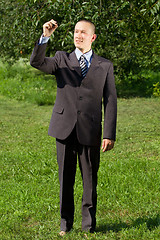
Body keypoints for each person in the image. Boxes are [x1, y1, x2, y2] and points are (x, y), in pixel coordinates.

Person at [30, 19, 117, 236]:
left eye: (83, 32)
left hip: (90, 131)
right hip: (64, 129)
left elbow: (111, 100)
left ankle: (88, 225)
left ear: (92, 37)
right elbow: (37, 63)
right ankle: (65, 224)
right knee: (65, 180)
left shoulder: (104, 65)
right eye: (76, 31)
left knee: (90, 181)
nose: (78, 35)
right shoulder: (61, 59)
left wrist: (109, 134)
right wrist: (45, 37)